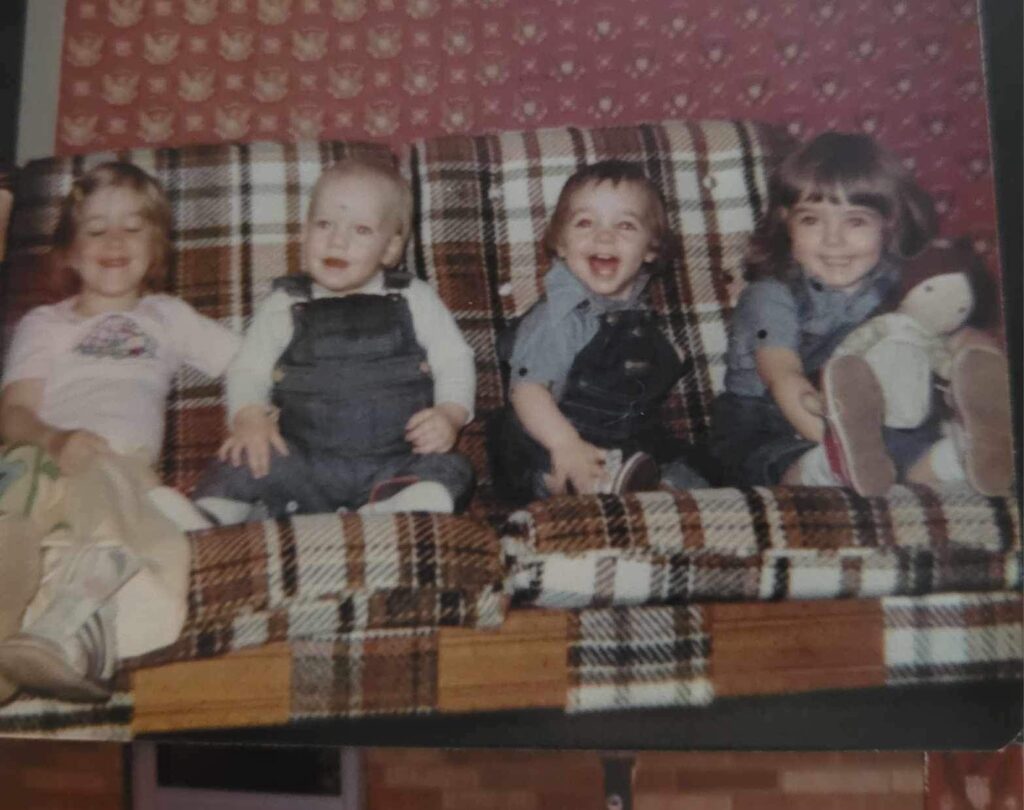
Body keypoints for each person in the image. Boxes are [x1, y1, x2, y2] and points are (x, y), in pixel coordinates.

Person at [0, 162, 239, 702]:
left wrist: (255, 410)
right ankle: (47, 616)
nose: (114, 240)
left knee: (164, 555)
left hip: (123, 468)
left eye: (133, 228)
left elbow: (246, 362)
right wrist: (55, 441)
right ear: (69, 249)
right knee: (17, 532)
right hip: (42, 459)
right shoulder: (48, 323)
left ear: (156, 249)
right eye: (96, 228)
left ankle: (61, 633)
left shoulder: (167, 317)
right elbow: (12, 413)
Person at [192, 157, 475, 523]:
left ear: (390, 248)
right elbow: (248, 368)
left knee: (452, 470)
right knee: (242, 458)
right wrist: (248, 417)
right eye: (324, 224)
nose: (337, 241)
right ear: (305, 232)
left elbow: (454, 360)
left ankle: (394, 509)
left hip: (395, 463)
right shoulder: (286, 301)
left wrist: (449, 415)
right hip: (302, 464)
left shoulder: (414, 297)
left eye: (360, 230)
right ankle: (208, 518)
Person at [710, 131, 939, 488]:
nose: (834, 240)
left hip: (868, 425)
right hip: (771, 423)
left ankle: (953, 463)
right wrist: (842, 447)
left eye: (855, 221)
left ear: (889, 223)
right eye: (812, 220)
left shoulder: (898, 285)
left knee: (917, 442)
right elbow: (782, 376)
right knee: (777, 460)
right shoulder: (770, 296)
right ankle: (827, 470)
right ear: (786, 222)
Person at [491, 160, 709, 503]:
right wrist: (566, 445)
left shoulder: (638, 318)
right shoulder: (558, 318)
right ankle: (604, 492)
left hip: (626, 442)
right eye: (584, 222)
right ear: (561, 244)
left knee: (695, 473)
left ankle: (657, 494)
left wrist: (669, 356)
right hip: (552, 443)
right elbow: (527, 391)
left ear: (651, 249)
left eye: (625, 225)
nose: (603, 235)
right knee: (577, 473)